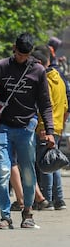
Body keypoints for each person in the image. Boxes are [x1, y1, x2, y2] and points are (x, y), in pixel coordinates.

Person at [0, 32, 55, 229]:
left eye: (25, 54)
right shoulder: (0, 66)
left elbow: (45, 104)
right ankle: (5, 216)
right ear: (14, 48)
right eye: (19, 53)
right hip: (2, 126)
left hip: (26, 127)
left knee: (28, 172)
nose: (22, 57)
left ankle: (27, 212)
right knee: (3, 170)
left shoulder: (38, 71)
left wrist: (50, 131)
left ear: (30, 52)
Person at [33, 48, 68, 211]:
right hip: (58, 126)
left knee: (45, 164)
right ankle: (59, 199)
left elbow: (43, 106)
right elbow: (65, 105)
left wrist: (43, 127)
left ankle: (46, 200)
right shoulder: (59, 79)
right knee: (53, 162)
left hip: (46, 128)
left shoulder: (44, 80)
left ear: (39, 63)